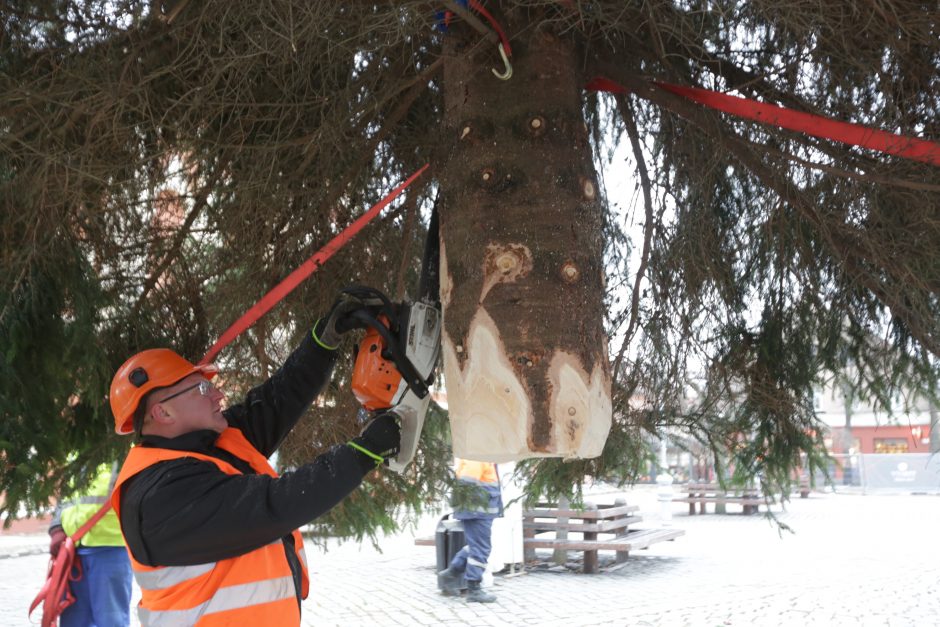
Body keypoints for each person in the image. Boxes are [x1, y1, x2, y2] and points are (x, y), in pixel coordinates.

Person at [108, 300, 401, 626]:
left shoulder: (211, 444)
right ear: (162, 412)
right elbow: (273, 504)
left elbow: (277, 400)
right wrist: (365, 451)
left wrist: (324, 339)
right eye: (201, 388)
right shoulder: (158, 496)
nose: (217, 396)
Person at [48, 461, 133, 627]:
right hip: (73, 551)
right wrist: (57, 527)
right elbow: (65, 499)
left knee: (110, 618)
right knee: (73, 619)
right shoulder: (76, 455)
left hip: (111, 549)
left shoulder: (122, 453)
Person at [437, 458, 503, 603]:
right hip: (477, 512)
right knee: (481, 548)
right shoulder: (478, 456)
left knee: (476, 546)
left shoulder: (482, 455)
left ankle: (452, 573)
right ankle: (473, 589)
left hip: (479, 511)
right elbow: (466, 484)